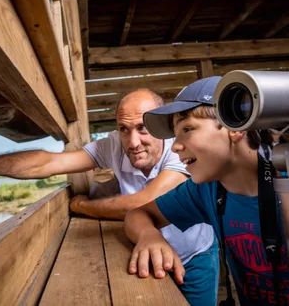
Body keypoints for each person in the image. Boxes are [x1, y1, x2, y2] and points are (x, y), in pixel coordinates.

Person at [0, 89, 218, 306]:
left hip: (194, 256)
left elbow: (143, 202)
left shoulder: (179, 148)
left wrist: (82, 206)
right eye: (124, 129)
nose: (133, 141)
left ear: (160, 127)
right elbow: (47, 163)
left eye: (142, 127)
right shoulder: (114, 144)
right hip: (145, 247)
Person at [124, 77, 289, 306]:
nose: (174, 146)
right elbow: (138, 214)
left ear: (235, 128)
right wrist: (149, 236)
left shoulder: (284, 181)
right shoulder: (206, 190)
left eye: (187, 129)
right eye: (176, 133)